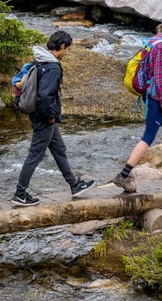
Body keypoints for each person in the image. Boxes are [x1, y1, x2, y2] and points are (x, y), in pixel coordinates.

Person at [11, 30, 97, 206]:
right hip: (44, 117)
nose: (68, 53)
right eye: (68, 49)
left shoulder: (41, 60)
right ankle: (20, 193)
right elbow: (45, 95)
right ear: (63, 46)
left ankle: (74, 185)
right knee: (35, 154)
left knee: (59, 149)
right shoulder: (52, 66)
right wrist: (50, 117)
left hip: (39, 114)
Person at [113, 13, 162, 193]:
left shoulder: (152, 41)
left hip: (149, 94)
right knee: (148, 137)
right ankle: (124, 175)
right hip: (157, 98)